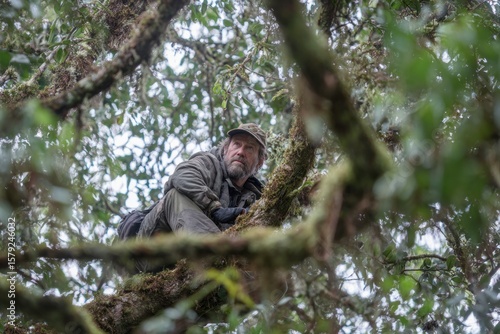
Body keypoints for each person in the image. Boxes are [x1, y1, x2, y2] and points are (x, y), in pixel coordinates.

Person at [136, 123, 267, 272]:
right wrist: (214, 208)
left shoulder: (257, 197)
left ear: (260, 162)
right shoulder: (208, 162)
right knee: (176, 195)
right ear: (225, 149)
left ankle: (225, 277)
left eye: (249, 148)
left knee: (275, 278)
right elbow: (182, 176)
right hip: (152, 252)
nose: (241, 152)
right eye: (237, 144)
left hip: (190, 263)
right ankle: (218, 263)